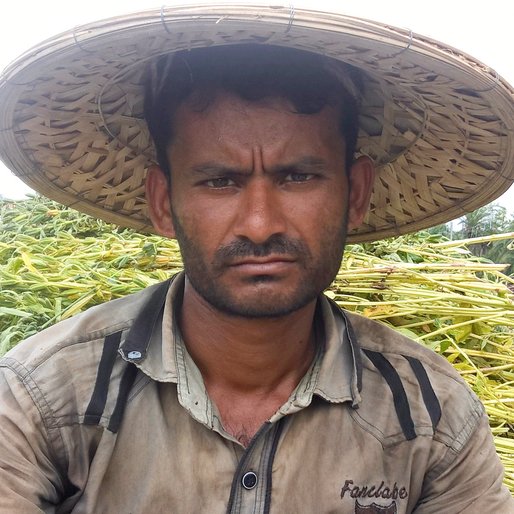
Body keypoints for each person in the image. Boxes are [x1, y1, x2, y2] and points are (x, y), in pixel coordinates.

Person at [0, 6, 513, 514]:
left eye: (298, 177)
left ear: (355, 193)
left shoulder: (431, 414)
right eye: (220, 181)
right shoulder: (43, 397)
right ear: (163, 201)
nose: (261, 224)